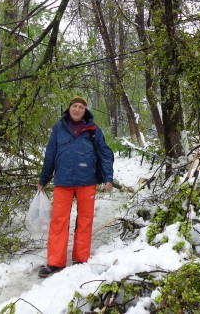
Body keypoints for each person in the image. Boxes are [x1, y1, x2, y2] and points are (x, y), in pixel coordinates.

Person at [37, 96, 114, 277]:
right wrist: (44, 179)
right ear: (69, 108)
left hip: (87, 182)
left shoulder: (94, 130)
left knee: (85, 221)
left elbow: (104, 154)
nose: (77, 109)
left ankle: (81, 258)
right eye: (74, 106)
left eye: (81, 107)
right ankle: (55, 262)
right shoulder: (59, 128)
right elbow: (50, 154)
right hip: (62, 182)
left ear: (85, 110)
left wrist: (108, 178)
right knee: (58, 222)